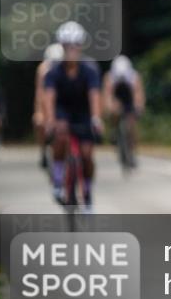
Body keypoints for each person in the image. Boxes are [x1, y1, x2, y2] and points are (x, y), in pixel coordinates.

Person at [44, 21, 103, 212]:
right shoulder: (53, 71)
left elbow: (94, 95)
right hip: (63, 110)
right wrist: (50, 121)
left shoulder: (90, 69)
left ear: (80, 46)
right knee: (60, 135)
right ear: (62, 46)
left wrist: (96, 118)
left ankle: (87, 190)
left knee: (86, 154)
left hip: (83, 112)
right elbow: (49, 98)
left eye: (75, 45)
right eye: (67, 45)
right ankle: (58, 179)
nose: (71, 49)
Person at [103, 55, 145, 167]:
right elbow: (107, 95)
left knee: (131, 123)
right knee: (114, 113)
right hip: (117, 97)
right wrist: (110, 108)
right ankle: (114, 129)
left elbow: (138, 94)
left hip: (129, 99)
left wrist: (138, 108)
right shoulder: (110, 77)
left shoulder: (134, 77)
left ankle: (132, 148)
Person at [34, 43, 64, 169]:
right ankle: (43, 151)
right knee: (40, 122)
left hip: (64, 102)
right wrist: (39, 112)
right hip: (48, 101)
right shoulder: (43, 70)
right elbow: (40, 94)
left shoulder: (70, 68)